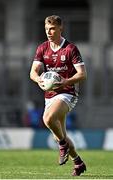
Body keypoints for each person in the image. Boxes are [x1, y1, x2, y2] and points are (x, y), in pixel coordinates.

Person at [30, 15, 87, 176]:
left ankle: (62, 145)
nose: (49, 31)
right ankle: (78, 162)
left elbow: (82, 74)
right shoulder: (42, 48)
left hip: (68, 93)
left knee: (47, 119)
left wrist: (65, 81)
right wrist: (39, 80)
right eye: (47, 29)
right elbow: (33, 72)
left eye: (53, 28)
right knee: (59, 135)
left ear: (61, 28)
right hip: (50, 95)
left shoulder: (70, 49)